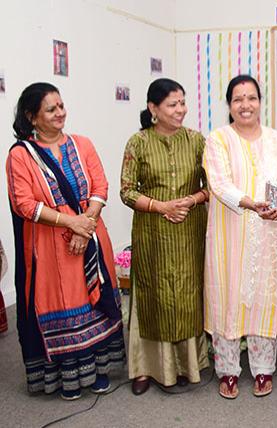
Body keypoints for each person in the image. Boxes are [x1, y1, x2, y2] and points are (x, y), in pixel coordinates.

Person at [6, 82, 124, 400]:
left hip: (91, 237)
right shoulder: (21, 155)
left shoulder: (82, 144)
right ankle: (66, 380)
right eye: (51, 109)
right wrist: (72, 223)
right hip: (49, 246)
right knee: (62, 304)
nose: (60, 113)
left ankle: (99, 370)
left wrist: (85, 225)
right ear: (32, 117)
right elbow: (24, 203)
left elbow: (100, 185)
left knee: (94, 304)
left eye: (61, 106)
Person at [203, 75, 277, 399]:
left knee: (263, 300)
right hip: (230, 233)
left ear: (260, 102)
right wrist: (250, 203)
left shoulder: (276, 140)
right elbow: (219, 183)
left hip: (267, 234)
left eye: (251, 98)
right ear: (229, 105)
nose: (245, 105)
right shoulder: (218, 139)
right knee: (226, 297)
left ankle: (263, 368)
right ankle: (227, 370)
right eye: (238, 99)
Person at [120, 78, 209, 395]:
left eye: (182, 102)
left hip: (188, 228)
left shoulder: (197, 141)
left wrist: (190, 201)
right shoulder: (138, 142)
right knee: (153, 292)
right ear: (153, 108)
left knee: (186, 291)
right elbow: (126, 191)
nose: (180, 109)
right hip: (152, 231)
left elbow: (211, 187)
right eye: (172, 104)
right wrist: (161, 207)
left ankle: (187, 365)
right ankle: (145, 368)